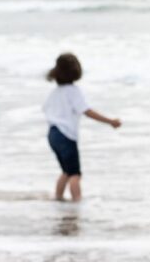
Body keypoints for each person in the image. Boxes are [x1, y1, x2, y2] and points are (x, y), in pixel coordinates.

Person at [43, 53, 121, 201]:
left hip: (53, 134)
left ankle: (58, 199)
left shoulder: (55, 93)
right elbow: (86, 111)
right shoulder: (73, 91)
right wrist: (110, 121)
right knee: (75, 174)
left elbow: (46, 110)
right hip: (66, 135)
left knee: (66, 171)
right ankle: (77, 204)